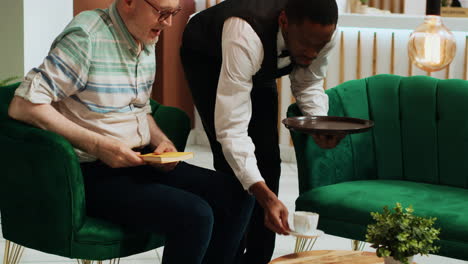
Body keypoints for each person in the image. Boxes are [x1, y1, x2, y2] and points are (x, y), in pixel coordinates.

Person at [7, 0, 254, 263]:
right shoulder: (86, 37)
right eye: (162, 13)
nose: (168, 23)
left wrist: (161, 140)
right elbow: (24, 105)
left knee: (237, 196)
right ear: (128, 2)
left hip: (139, 161)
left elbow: (138, 108)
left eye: (173, 13)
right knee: (195, 215)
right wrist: (99, 145)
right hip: (90, 174)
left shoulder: (145, 36)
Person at [180, 0, 341, 263]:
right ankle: (226, 256)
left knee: (269, 159)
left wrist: (317, 125)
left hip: (257, 62)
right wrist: (261, 193)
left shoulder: (321, 34)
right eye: (306, 44)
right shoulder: (245, 33)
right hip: (206, 55)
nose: (313, 53)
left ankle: (258, 258)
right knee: (232, 169)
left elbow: (308, 81)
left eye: (319, 46)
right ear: (284, 22)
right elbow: (232, 130)